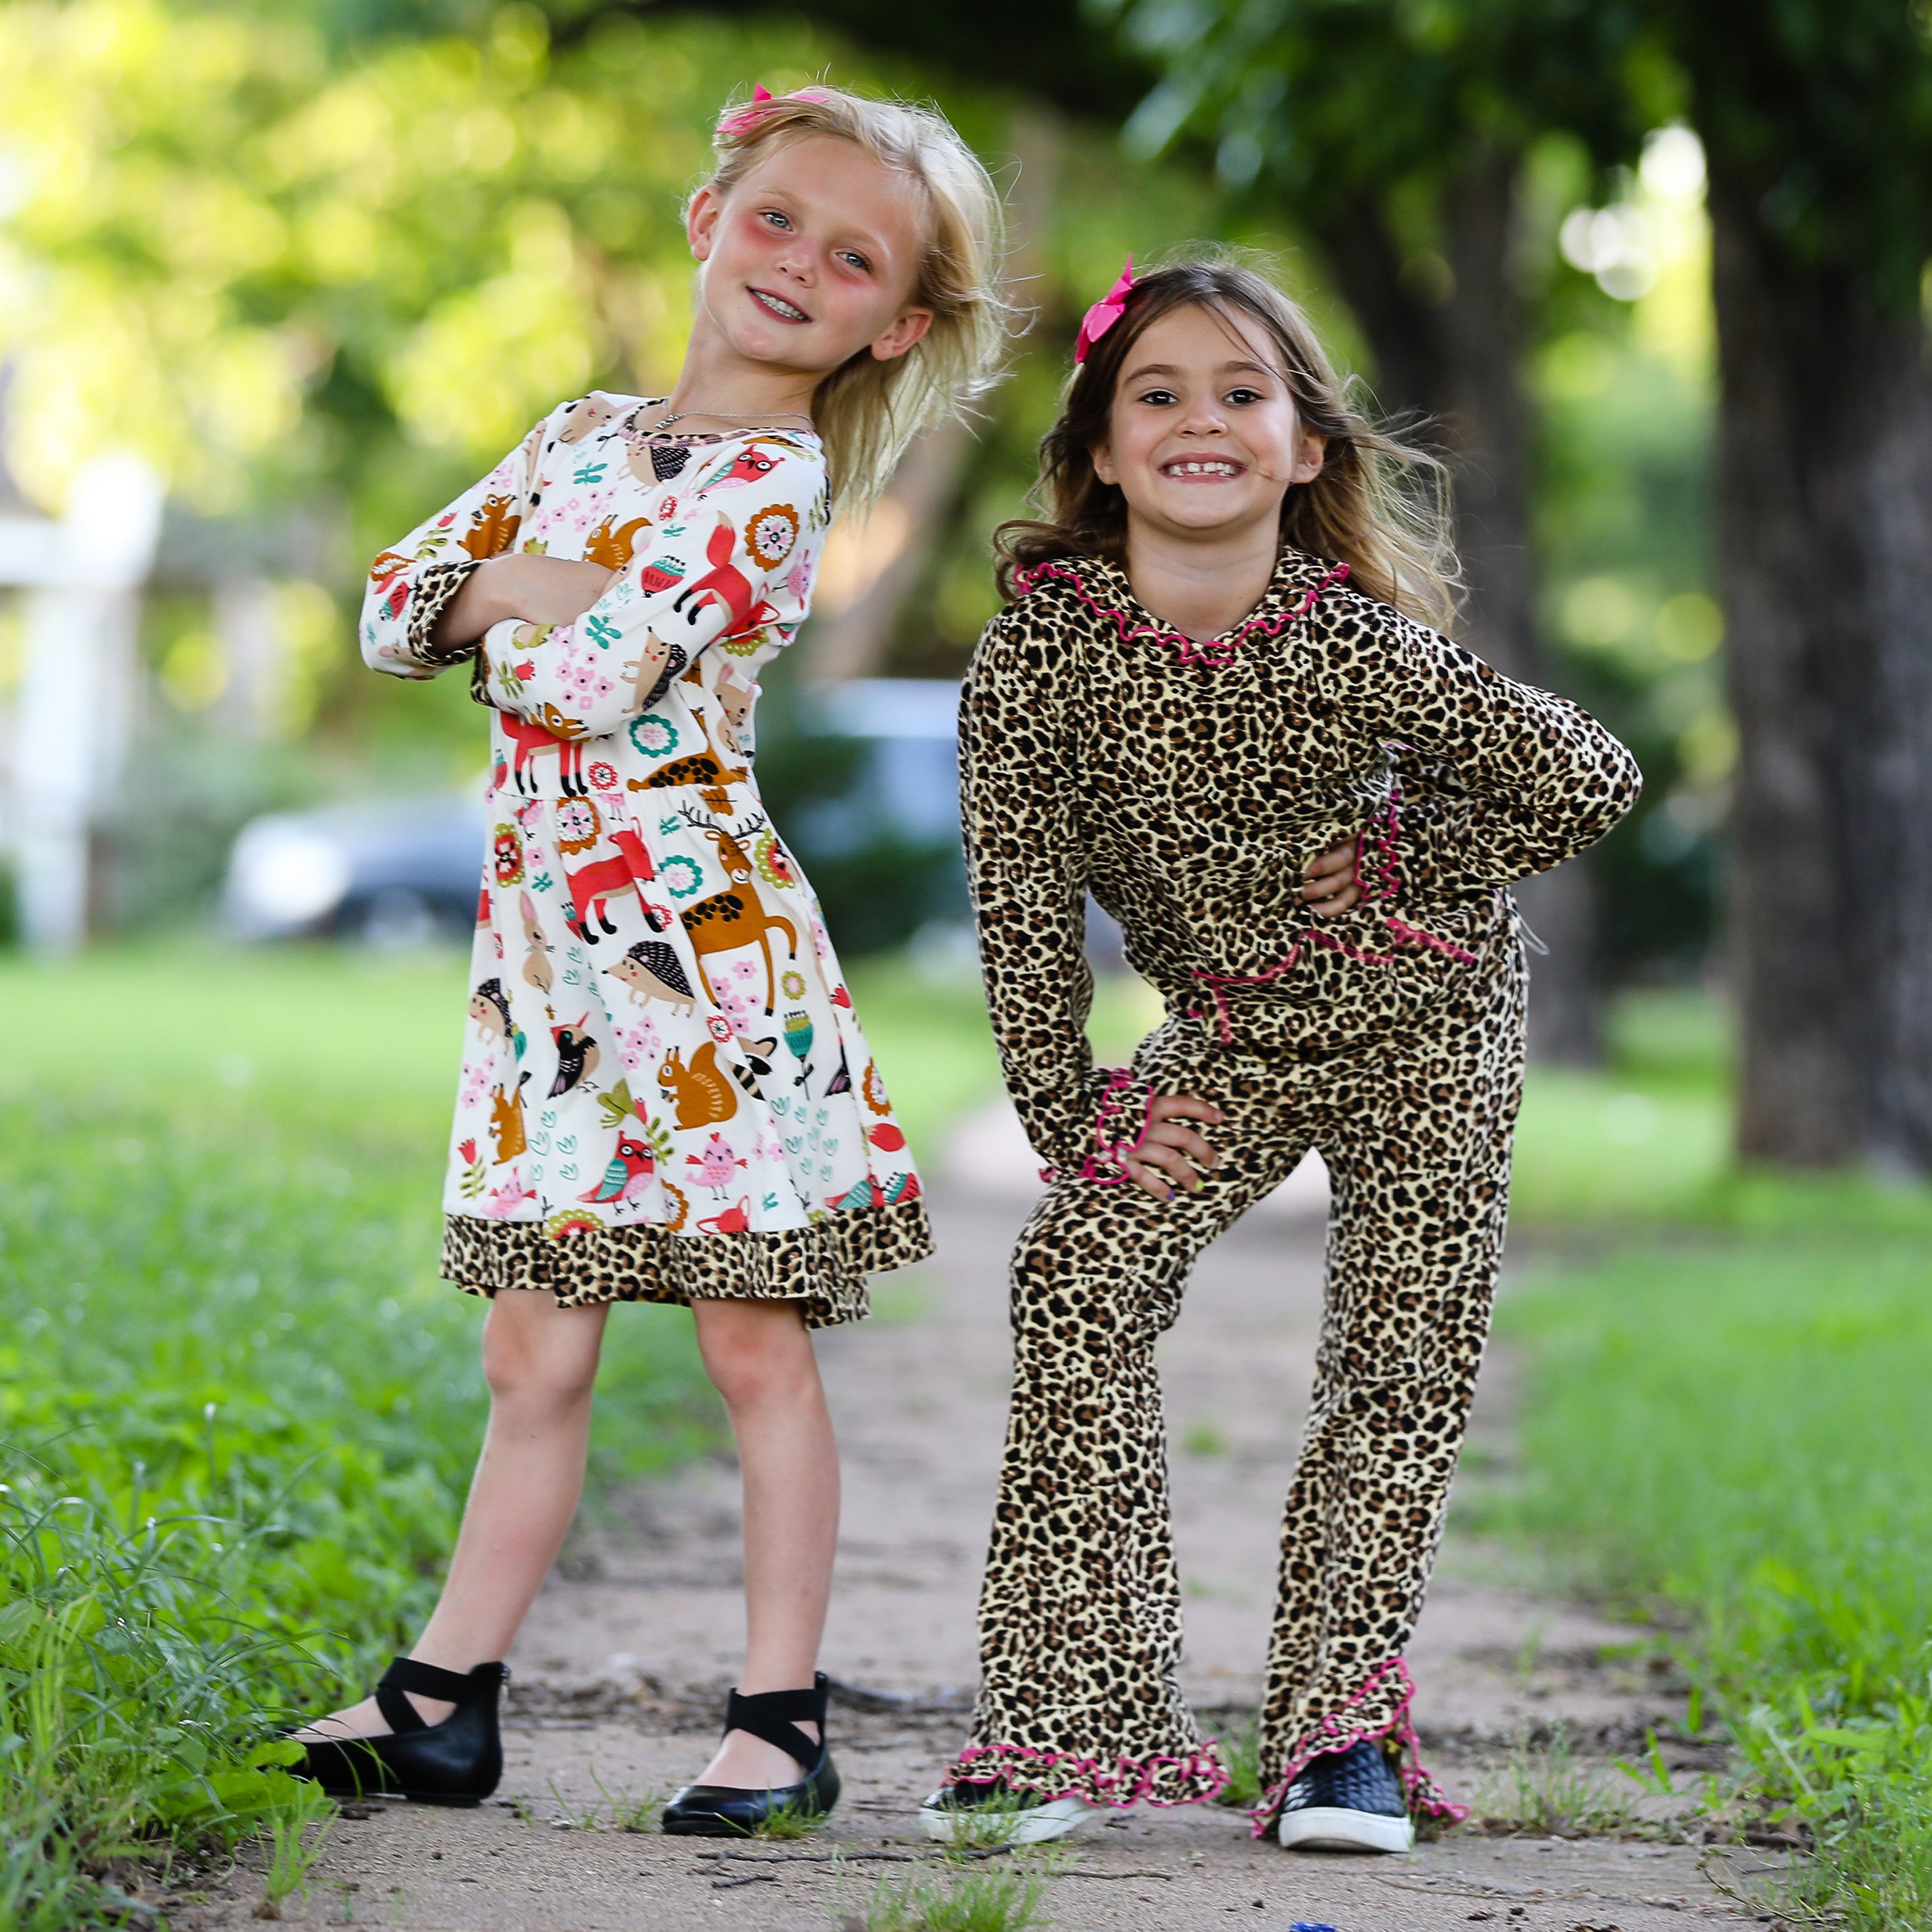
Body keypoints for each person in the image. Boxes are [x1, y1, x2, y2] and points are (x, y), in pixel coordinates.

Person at [293, 83, 1007, 1838]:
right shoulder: (579, 430)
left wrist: (514, 585)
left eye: (850, 258)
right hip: (546, 982)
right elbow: (391, 602)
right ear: (706, 219)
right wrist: (525, 580)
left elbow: (581, 676)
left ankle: (781, 1715)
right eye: (775, 218)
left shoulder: (773, 488)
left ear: (886, 324)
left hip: (700, 972)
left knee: (751, 1343)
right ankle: (446, 1697)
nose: (797, 265)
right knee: (531, 1353)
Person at [923, 253, 1640, 1855]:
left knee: (1400, 1363)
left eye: (1242, 394)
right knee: (1080, 1270)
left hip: (1431, 1021)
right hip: (1234, 1036)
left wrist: (1408, 862)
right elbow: (1025, 910)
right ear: (1099, 452)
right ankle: (1065, 1723)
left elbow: (1589, 776)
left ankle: (1336, 1738)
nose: (1200, 423)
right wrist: (1076, 1116)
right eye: (1156, 395)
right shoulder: (1038, 662)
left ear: (1306, 447)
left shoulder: (1357, 645)